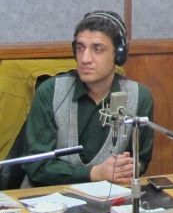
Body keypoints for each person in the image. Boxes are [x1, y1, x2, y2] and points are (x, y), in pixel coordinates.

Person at [22, 11, 154, 186]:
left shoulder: (139, 97)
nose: (85, 59)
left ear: (118, 54)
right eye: (80, 48)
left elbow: (141, 160)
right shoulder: (49, 92)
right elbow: (36, 166)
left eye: (97, 49)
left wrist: (126, 168)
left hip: (112, 194)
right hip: (49, 195)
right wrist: (94, 173)